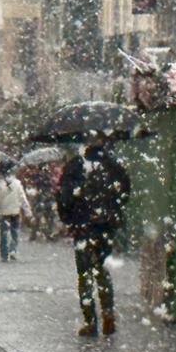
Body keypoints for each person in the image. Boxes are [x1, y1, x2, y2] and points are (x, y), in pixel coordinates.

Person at [57, 144, 131, 336]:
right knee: (102, 269)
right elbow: (125, 193)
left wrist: (69, 218)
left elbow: (64, 197)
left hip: (83, 226)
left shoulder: (75, 166)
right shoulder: (113, 166)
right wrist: (111, 213)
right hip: (105, 226)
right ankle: (108, 315)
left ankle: (90, 321)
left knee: (84, 274)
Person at [0, 169, 29, 262]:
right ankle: (13, 250)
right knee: (15, 232)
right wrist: (27, 211)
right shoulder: (18, 184)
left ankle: (4, 254)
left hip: (3, 213)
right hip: (15, 212)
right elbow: (22, 198)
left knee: (4, 233)